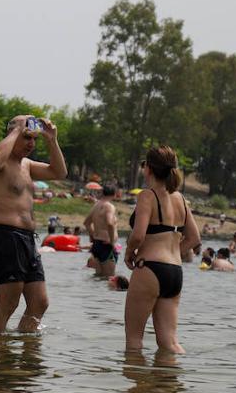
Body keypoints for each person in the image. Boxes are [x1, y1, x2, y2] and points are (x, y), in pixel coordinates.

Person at [0, 116, 65, 333]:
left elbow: (59, 172)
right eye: (27, 137)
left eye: (34, 139)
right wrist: (17, 129)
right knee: (8, 303)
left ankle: (27, 354)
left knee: (39, 302)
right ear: (12, 134)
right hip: (6, 236)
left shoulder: (27, 165)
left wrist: (52, 140)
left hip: (28, 240)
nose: (31, 144)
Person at [124, 145, 199, 354]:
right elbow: (194, 238)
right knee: (170, 343)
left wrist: (129, 252)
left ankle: (136, 386)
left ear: (147, 168)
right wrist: (173, 252)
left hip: (149, 268)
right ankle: (170, 385)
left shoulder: (147, 196)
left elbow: (138, 235)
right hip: (174, 271)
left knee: (134, 342)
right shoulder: (181, 199)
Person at [84, 184, 119, 278]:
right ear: (114, 194)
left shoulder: (96, 205)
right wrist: (112, 241)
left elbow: (86, 223)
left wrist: (92, 235)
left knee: (98, 277)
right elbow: (110, 223)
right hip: (106, 245)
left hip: (97, 245)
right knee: (109, 278)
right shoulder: (109, 206)